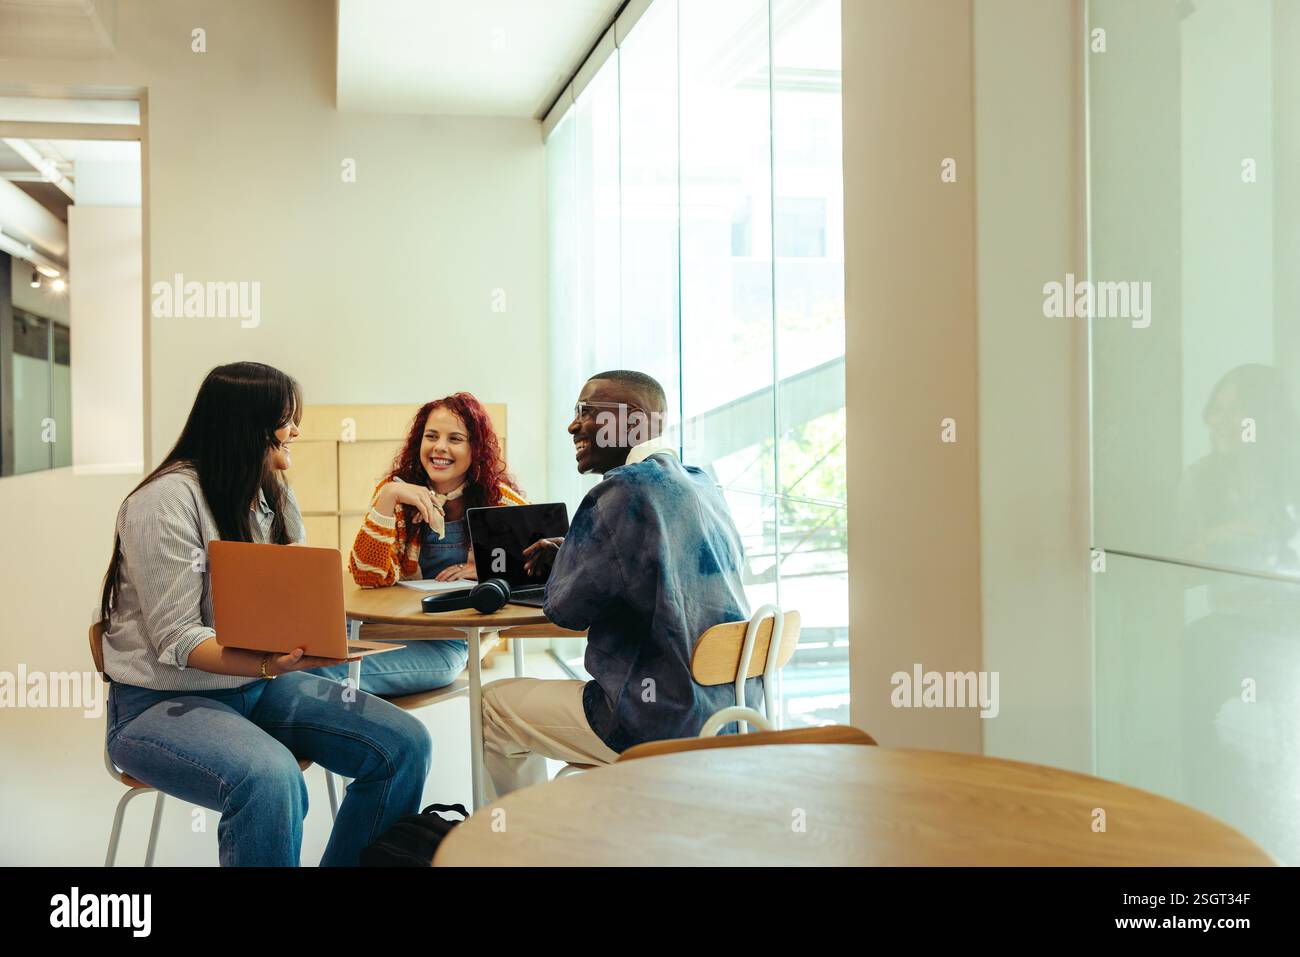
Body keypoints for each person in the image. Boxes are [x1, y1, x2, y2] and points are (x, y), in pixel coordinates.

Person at [99, 362, 432, 866]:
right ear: (244, 424)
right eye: (285, 419)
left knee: (404, 744)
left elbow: (289, 596)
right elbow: (177, 639)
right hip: (156, 703)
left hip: (260, 688)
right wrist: (266, 664)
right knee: (271, 778)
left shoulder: (271, 491)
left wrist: (312, 638)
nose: (295, 431)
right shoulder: (163, 501)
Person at [481, 370, 756, 796]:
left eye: (585, 412)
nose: (572, 425)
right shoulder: (701, 482)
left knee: (491, 706)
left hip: (653, 723)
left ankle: (520, 840)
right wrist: (579, 551)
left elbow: (566, 612)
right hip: (730, 717)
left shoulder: (622, 491)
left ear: (631, 422)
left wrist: (573, 555)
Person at [313, 393, 527, 697]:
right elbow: (367, 577)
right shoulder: (397, 493)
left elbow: (535, 571)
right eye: (431, 436)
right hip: (378, 624)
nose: (440, 447)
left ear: (475, 449)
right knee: (297, 648)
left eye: (455, 438)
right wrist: (388, 497)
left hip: (444, 642)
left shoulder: (499, 501)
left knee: (318, 671)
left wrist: (487, 568)